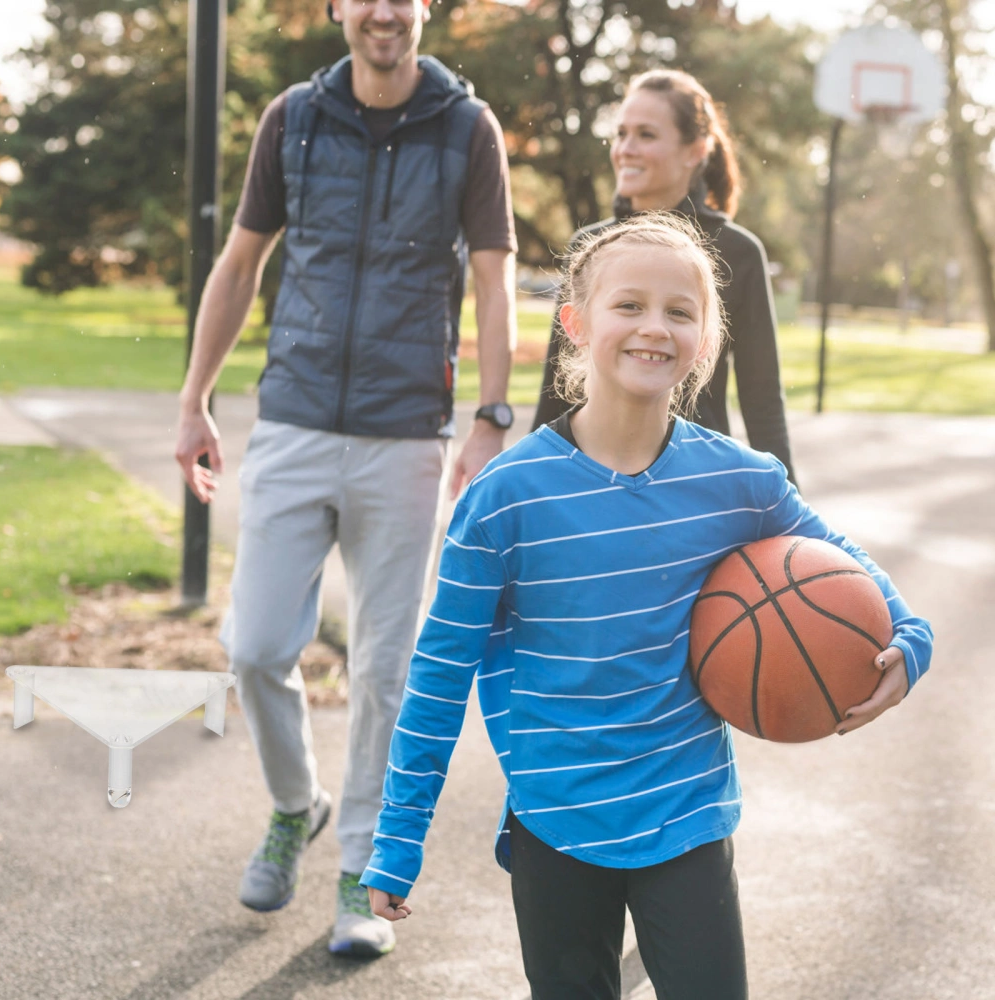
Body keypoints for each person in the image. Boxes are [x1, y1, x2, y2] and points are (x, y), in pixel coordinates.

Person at [360, 214, 932, 999]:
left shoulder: (740, 482)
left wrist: (910, 635)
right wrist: (397, 836)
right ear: (575, 323)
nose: (653, 328)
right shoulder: (504, 500)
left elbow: (845, 565)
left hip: (686, 811)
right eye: (628, 305)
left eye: (679, 311)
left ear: (705, 339)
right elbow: (438, 673)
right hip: (555, 818)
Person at [173, 0, 517, 959]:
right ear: (336, 7)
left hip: (406, 433)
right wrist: (194, 397)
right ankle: (298, 806)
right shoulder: (293, 118)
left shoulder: (468, 128)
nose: (382, 11)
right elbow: (240, 264)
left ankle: (363, 873)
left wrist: (491, 415)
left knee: (384, 669)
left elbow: (494, 279)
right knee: (253, 646)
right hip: (291, 419)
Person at [532, 68, 797, 483]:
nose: (626, 149)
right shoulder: (592, 247)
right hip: (594, 480)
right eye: (621, 134)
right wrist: (534, 483)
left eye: (646, 135)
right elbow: (557, 388)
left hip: (698, 489)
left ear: (696, 150)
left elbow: (762, 400)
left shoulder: (738, 253)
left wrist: (789, 508)